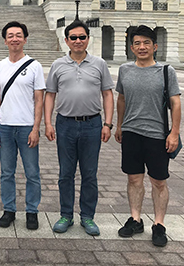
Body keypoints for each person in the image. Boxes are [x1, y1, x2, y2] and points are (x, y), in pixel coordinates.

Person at [44, 20, 114, 236]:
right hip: (65, 124)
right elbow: (50, 95)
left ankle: (87, 216)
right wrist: (48, 122)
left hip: (92, 124)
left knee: (89, 174)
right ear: (66, 40)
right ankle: (66, 214)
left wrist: (108, 123)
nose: (77, 41)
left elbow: (108, 94)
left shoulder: (99, 64)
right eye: (73, 37)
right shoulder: (58, 65)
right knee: (66, 173)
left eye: (81, 37)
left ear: (88, 39)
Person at [115, 25, 181, 247]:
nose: (141, 47)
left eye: (146, 43)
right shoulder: (125, 70)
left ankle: (159, 224)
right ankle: (135, 219)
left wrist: (174, 132)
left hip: (157, 134)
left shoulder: (165, 71)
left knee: (158, 181)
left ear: (155, 46)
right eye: (137, 43)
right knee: (134, 178)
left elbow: (175, 102)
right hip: (132, 132)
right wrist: (119, 125)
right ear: (132, 47)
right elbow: (121, 99)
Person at [0, 21, 45, 230]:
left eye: (18, 35)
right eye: (11, 35)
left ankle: (32, 211)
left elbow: (39, 99)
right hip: (4, 126)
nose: (15, 39)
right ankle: (9, 209)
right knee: (7, 172)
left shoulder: (34, 65)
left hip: (26, 127)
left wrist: (35, 128)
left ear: (24, 39)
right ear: (5, 41)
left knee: (32, 172)